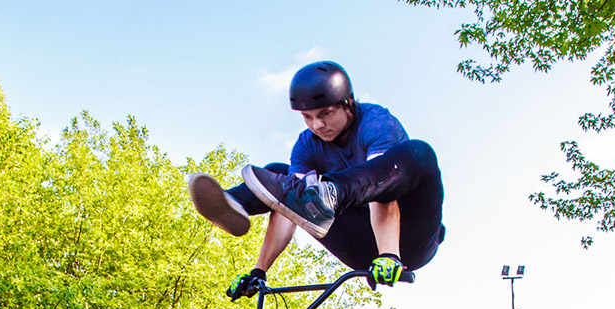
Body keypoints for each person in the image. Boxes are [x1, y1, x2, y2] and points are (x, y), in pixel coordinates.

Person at [188, 61, 445, 295]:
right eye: (307, 117)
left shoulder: (376, 124)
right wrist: (259, 272)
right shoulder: (307, 146)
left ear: (349, 103)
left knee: (419, 152)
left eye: (325, 114)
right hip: (359, 245)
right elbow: (290, 207)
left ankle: (334, 193)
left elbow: (384, 194)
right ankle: (236, 202)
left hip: (411, 238)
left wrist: (389, 254)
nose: (317, 125)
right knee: (282, 177)